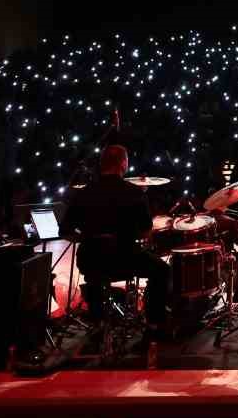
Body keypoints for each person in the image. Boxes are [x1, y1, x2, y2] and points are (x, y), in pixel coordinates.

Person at [63, 143, 171, 334]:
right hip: (125, 258)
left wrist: (91, 238)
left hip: (91, 259)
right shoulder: (134, 192)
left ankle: (98, 321)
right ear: (124, 164)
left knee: (96, 272)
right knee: (162, 270)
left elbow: (65, 231)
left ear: (102, 163)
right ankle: (154, 324)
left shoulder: (84, 193)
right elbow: (146, 231)